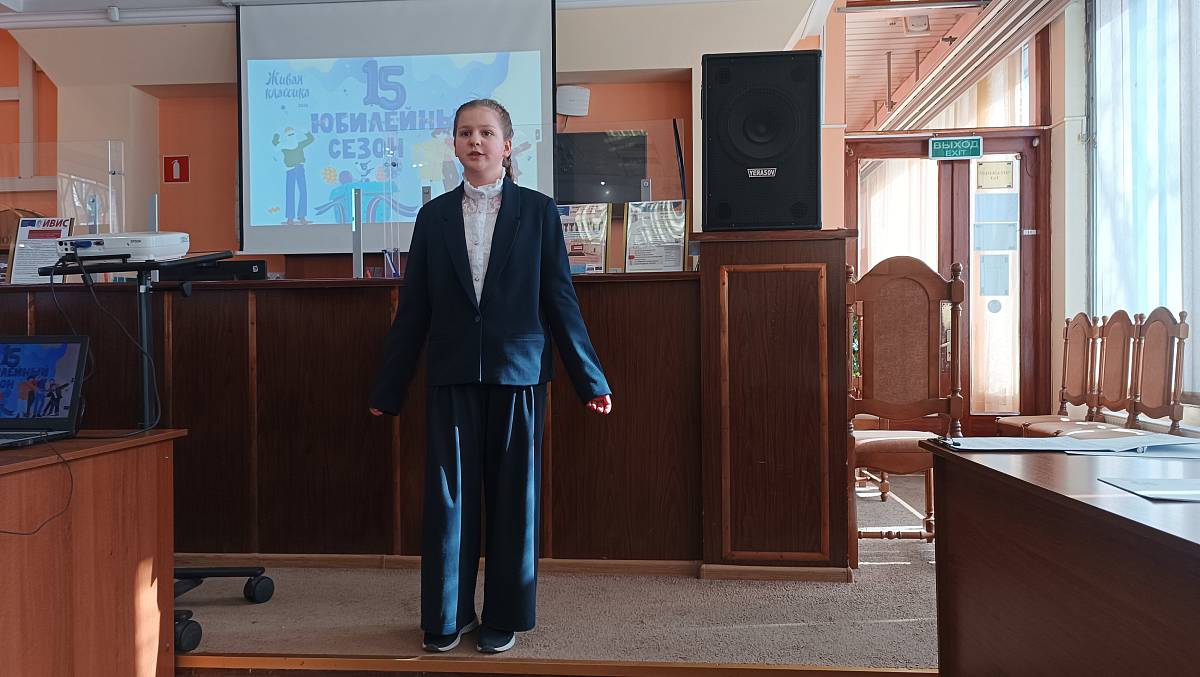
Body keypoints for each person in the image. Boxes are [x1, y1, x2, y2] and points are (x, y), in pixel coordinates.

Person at [369, 99, 612, 655]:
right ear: (454, 145)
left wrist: (590, 380)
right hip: (451, 373)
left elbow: (560, 302)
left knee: (513, 501)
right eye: (464, 133)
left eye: (485, 132)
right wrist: (389, 387)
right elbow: (415, 310)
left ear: (507, 144)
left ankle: (504, 614)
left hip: (518, 376)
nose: (474, 141)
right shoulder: (433, 217)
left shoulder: (539, 212)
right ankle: (446, 614)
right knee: (448, 501)